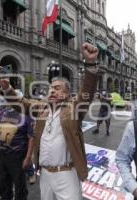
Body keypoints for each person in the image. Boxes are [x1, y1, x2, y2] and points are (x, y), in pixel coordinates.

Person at [30, 42, 99, 200]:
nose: (52, 90)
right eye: (51, 88)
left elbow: (87, 90)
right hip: (45, 174)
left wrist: (90, 63)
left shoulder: (73, 109)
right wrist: (7, 90)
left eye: (57, 88)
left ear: (67, 93)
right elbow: (23, 104)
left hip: (66, 175)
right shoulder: (42, 108)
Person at [0, 72, 34, 200]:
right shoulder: (2, 113)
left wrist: (28, 158)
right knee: (3, 184)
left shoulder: (26, 115)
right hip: (2, 155)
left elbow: (31, 137)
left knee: (19, 187)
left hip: (18, 156)